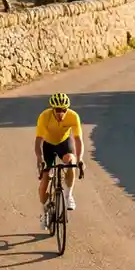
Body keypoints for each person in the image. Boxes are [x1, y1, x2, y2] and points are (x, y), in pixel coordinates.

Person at [35, 92, 84, 229]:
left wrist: (80, 159)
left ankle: (68, 196)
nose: (61, 113)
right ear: (52, 109)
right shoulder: (44, 117)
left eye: (64, 110)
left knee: (70, 161)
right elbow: (39, 140)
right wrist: (40, 158)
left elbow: (78, 140)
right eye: (57, 110)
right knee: (45, 179)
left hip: (64, 143)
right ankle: (45, 212)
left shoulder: (73, 116)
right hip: (48, 145)